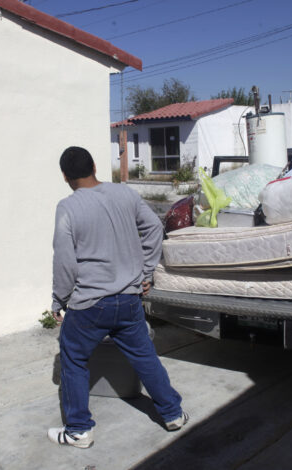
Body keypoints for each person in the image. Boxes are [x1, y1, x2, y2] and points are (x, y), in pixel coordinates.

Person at [48, 146, 187, 449]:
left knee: (72, 360)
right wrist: (146, 273)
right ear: (95, 166)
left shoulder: (68, 207)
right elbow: (153, 229)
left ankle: (78, 430)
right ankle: (173, 413)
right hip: (128, 299)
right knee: (145, 357)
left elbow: (64, 261)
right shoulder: (125, 194)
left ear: (64, 176)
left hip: (90, 305)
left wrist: (59, 300)